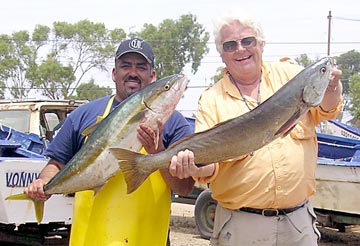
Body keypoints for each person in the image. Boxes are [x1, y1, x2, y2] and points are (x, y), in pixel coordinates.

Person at [168, 11, 343, 246]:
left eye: (247, 41)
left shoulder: (291, 75)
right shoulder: (211, 99)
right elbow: (210, 167)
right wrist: (193, 166)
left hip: (298, 224)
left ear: (261, 44)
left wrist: (331, 87)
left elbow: (326, 110)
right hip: (241, 226)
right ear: (222, 55)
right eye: (230, 45)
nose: (240, 49)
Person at [24, 37, 194, 245]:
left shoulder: (176, 123)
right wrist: (43, 184)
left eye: (141, 67)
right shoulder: (83, 115)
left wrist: (157, 151)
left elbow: (185, 187)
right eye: (125, 66)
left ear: (152, 76)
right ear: (114, 74)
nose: (133, 72)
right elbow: (56, 163)